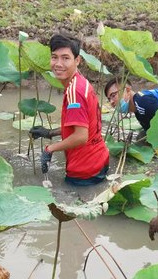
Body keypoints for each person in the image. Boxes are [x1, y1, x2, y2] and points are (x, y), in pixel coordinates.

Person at [29, 34, 109, 185]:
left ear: (77, 60)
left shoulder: (75, 92)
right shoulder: (81, 82)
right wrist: (50, 133)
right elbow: (81, 125)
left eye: (65, 58)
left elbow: (80, 136)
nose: (58, 64)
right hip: (99, 160)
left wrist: (50, 149)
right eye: (54, 57)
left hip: (85, 169)